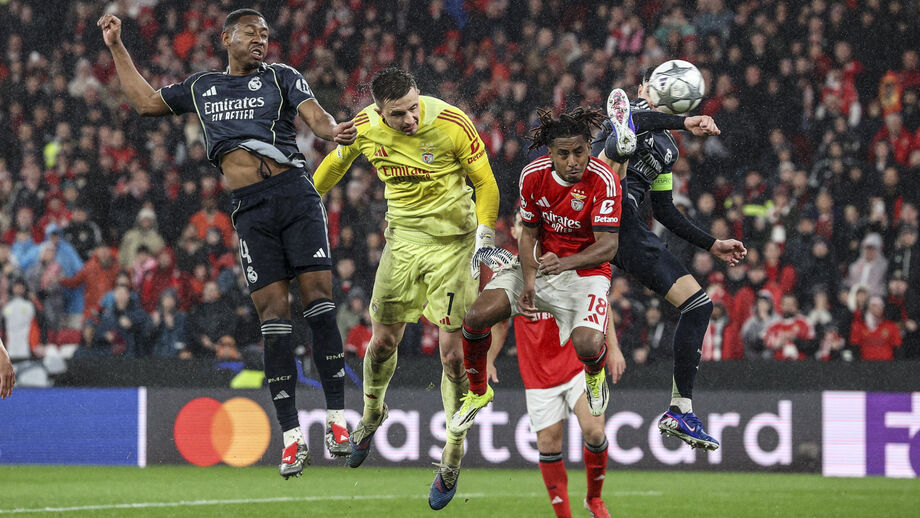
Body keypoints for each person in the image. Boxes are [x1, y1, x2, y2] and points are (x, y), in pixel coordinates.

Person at [99, 8, 357, 478]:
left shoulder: (281, 76)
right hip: (251, 210)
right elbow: (144, 102)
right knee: (273, 318)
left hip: (296, 196)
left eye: (265, 34)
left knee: (319, 302)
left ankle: (338, 421)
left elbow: (316, 117)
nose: (261, 40)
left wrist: (333, 131)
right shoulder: (203, 87)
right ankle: (292, 437)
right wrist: (117, 47)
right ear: (226, 38)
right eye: (251, 33)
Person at [311, 67, 511, 509]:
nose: (411, 120)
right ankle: (371, 415)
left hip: (455, 247)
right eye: (399, 115)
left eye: (414, 107)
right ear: (379, 112)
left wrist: (484, 238)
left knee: (453, 356)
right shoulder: (363, 128)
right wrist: (306, 203)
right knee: (382, 342)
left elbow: (486, 183)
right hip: (402, 244)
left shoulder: (452, 123)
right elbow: (333, 166)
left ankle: (452, 458)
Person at [451, 103, 632, 480]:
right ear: (549, 153)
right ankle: (478, 391)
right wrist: (529, 282)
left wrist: (562, 263)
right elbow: (530, 233)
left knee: (586, 344)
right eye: (563, 153)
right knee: (475, 316)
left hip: (585, 273)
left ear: (587, 148)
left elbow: (608, 247)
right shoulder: (532, 176)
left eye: (580, 152)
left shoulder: (603, 180)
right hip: (538, 266)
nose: (573, 161)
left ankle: (593, 375)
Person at [593, 71, 744, 450]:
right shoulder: (627, 111)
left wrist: (712, 245)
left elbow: (663, 210)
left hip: (625, 228)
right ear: (642, 89)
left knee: (699, 305)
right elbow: (639, 118)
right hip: (590, 206)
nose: (661, 92)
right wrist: (684, 122)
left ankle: (679, 410)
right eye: (654, 85)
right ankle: (615, 157)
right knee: (621, 138)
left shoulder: (669, 150)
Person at [486, 213, 626, 518]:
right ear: (514, 230)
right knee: (549, 444)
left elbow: (596, 300)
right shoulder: (510, 270)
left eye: (531, 225)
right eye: (521, 225)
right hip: (537, 373)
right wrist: (488, 360)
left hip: (574, 364)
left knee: (595, 431)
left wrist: (612, 347)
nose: (527, 230)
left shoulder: (560, 259)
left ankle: (594, 498)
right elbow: (498, 324)